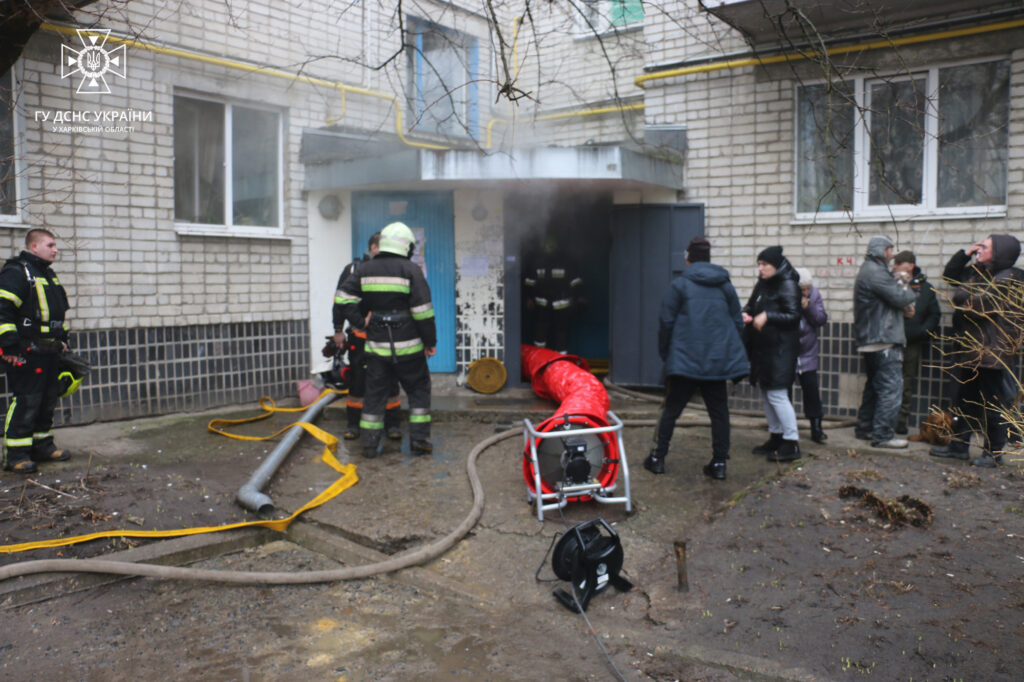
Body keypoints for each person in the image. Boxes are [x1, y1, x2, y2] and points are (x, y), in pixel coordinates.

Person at [644, 237, 748, 480]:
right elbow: (737, 323)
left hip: (684, 362)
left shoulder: (679, 285)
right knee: (719, 413)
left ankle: (658, 459)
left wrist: (666, 354)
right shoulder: (725, 286)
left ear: (688, 260)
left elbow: (666, 322)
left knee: (671, 410)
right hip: (716, 362)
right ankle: (719, 464)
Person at [338, 222, 436, 457]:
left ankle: (370, 445)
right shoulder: (411, 270)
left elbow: (342, 298)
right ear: (407, 246)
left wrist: (360, 322)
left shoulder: (364, 269)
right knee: (419, 391)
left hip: (377, 347)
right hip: (410, 348)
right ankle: (419, 441)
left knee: (374, 393)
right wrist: (430, 341)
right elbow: (423, 312)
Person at [931, 234, 1023, 467]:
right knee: (965, 402)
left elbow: (975, 305)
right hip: (972, 352)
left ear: (1000, 252)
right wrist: (966, 254)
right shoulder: (980, 273)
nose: (979, 250)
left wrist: (962, 294)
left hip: (992, 354)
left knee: (993, 406)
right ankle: (960, 447)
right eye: (979, 246)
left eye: (985, 246)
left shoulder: (1010, 278)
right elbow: (950, 276)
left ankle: (994, 454)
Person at [0, 229, 73, 473]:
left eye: (55, 245)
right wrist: (8, 345)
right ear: (34, 246)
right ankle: (16, 454)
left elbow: (56, 312)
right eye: (50, 245)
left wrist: (62, 339)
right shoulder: (17, 272)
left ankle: (42, 446)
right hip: (25, 351)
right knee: (27, 401)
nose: (55, 249)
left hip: (49, 351)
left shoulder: (47, 274)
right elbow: (3, 310)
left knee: (47, 400)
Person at [332, 232, 400, 442]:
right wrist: (338, 329)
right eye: (382, 247)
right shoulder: (353, 270)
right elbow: (339, 301)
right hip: (360, 337)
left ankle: (393, 425)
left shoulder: (394, 269)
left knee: (390, 380)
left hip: (388, 336)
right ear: (372, 248)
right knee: (358, 381)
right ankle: (354, 425)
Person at [853, 235, 917, 449]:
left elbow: (888, 302)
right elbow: (902, 297)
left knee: (874, 386)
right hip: (883, 340)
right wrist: (903, 281)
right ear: (883, 251)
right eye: (890, 250)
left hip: (873, 340)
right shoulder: (876, 272)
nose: (892, 255)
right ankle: (882, 435)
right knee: (891, 389)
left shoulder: (870, 270)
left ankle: (865, 428)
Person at [743, 246, 802, 462]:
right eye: (759, 264)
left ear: (776, 266)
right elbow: (751, 305)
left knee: (777, 394)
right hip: (764, 348)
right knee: (766, 392)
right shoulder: (763, 284)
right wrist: (746, 314)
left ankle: (791, 442)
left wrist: (768, 316)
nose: (760, 269)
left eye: (764, 265)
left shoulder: (787, 284)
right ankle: (776, 436)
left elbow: (794, 316)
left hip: (781, 349)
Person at [891, 251, 941, 435]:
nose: (895, 266)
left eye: (899, 263)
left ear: (910, 266)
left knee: (907, 381)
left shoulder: (925, 288)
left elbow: (934, 315)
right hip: (890, 341)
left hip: (912, 342)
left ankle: (901, 419)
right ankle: (883, 418)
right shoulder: (891, 284)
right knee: (887, 381)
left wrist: (922, 332)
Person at [523, 235, 584, 353]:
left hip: (562, 305)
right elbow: (529, 282)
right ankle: (539, 359)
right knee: (540, 334)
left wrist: (581, 297)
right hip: (542, 305)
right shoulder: (536, 263)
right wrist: (528, 298)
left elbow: (576, 281)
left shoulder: (566, 262)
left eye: (550, 247)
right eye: (546, 247)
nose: (548, 250)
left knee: (561, 335)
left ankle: (560, 363)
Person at [794, 267, 828, 444]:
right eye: (802, 289)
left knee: (811, 391)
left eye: (808, 288)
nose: (806, 292)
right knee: (784, 392)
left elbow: (821, 319)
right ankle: (785, 428)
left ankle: (816, 427)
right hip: (790, 353)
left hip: (808, 352)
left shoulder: (814, 295)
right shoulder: (788, 294)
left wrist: (808, 308)